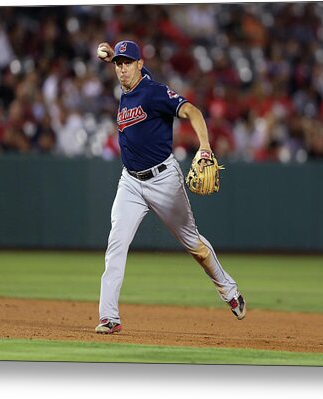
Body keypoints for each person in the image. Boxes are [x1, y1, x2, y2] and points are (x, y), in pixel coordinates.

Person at [94, 40, 246, 334]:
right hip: (130, 183)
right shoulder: (130, 85)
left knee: (195, 247)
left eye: (128, 63)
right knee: (116, 244)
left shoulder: (153, 92)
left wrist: (204, 147)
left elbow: (193, 112)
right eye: (119, 64)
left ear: (141, 65)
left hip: (164, 179)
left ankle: (229, 291)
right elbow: (127, 68)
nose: (122, 69)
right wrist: (113, 55)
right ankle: (108, 317)